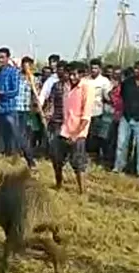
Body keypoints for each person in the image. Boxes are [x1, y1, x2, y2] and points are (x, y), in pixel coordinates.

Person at [49, 61, 94, 194]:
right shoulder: (67, 87)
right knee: (56, 159)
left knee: (78, 163)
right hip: (64, 129)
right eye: (70, 74)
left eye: (75, 74)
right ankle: (58, 184)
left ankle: (82, 191)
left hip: (78, 132)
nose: (72, 77)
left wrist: (76, 133)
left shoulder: (87, 88)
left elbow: (86, 116)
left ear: (81, 74)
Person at [0, 47, 36, 169]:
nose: (0, 60)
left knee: (18, 136)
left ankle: (31, 162)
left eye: (3, 57)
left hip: (10, 108)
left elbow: (14, 91)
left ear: (8, 58)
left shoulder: (13, 72)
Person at [87, 58, 112, 161]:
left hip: (98, 111)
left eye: (96, 68)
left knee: (97, 135)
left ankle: (96, 155)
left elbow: (108, 97)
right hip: (86, 111)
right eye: (92, 68)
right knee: (88, 135)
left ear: (100, 69)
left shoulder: (104, 81)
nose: (93, 70)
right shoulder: (86, 79)